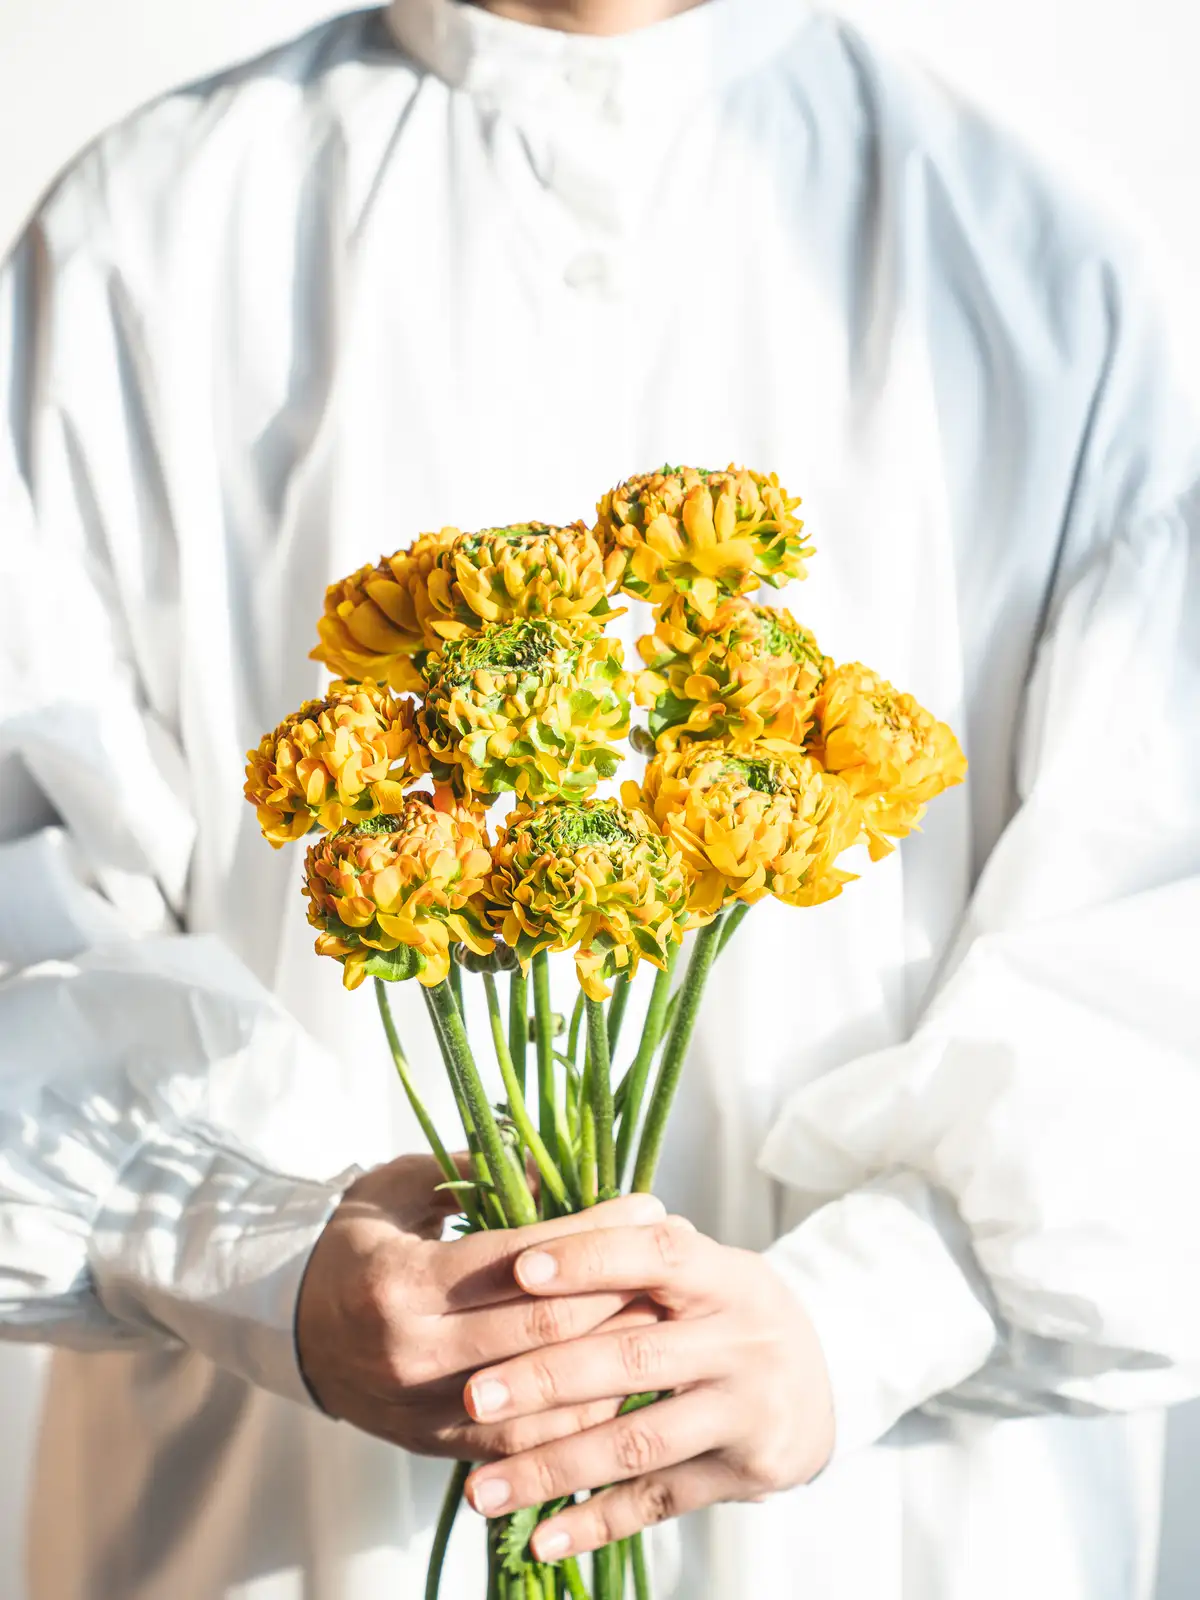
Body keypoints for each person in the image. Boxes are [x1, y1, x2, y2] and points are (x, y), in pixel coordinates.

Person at [1, 0, 1198, 1595]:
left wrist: (866, 1314)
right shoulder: (141, 237)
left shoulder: (1049, 264)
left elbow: (1165, 943)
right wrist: (254, 1251)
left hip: (906, 1539)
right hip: (272, 1527)